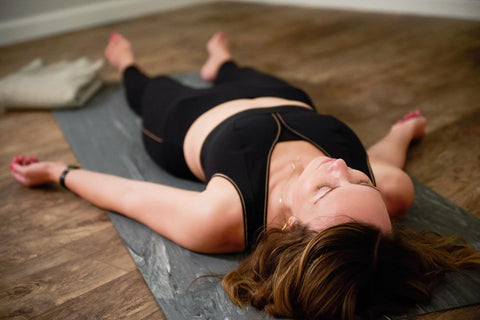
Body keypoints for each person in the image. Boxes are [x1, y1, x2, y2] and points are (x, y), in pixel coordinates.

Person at [9, 32, 480, 319]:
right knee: (251, 75)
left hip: (186, 118)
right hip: (283, 97)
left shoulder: (221, 217)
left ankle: (126, 62)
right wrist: (401, 133)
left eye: (327, 189)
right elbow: (384, 161)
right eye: (361, 182)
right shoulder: (387, 192)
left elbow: (131, 195)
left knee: (149, 89)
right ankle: (221, 64)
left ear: (291, 224)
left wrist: (59, 172)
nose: (342, 168)